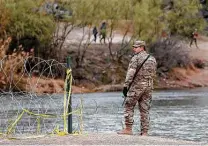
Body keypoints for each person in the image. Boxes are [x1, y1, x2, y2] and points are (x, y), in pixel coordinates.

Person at [117, 40, 157, 136]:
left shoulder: (136, 58)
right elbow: (153, 73)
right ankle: (144, 132)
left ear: (142, 47)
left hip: (137, 86)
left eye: (136, 47)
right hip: (148, 86)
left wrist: (126, 86)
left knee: (129, 105)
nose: (134, 49)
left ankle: (128, 129)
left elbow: (131, 73)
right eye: (133, 47)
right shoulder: (152, 59)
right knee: (145, 109)